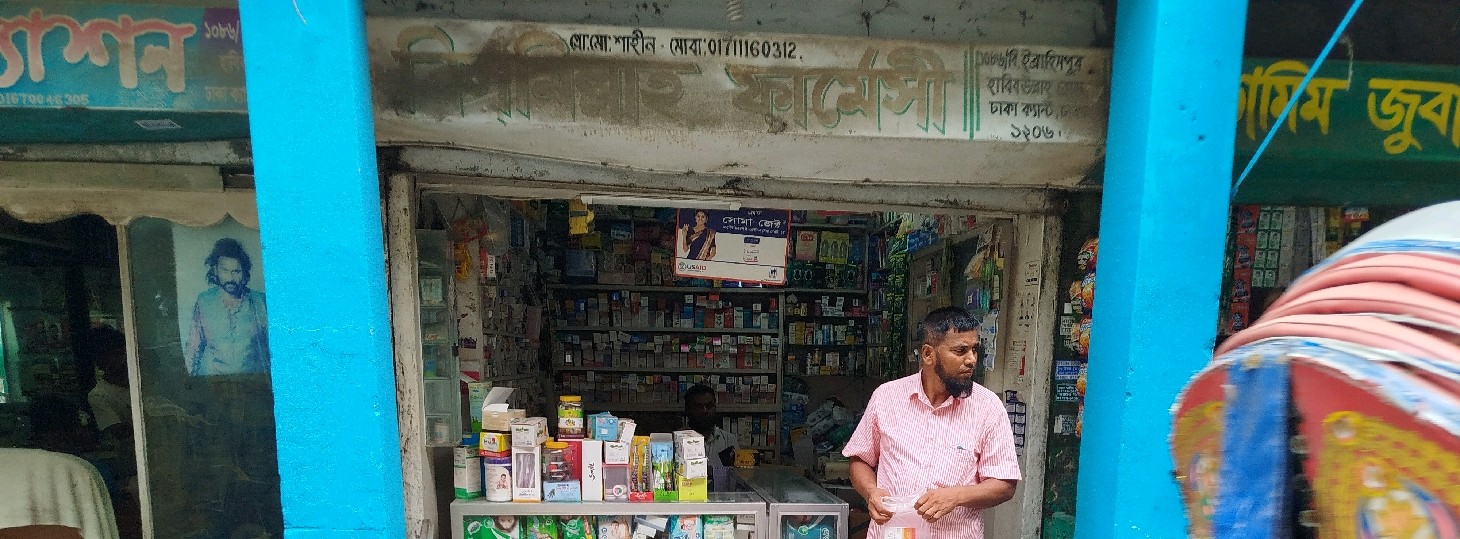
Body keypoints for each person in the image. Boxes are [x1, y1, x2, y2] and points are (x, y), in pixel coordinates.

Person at [842, 307, 1021, 539]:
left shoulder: (988, 407)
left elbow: (1005, 484)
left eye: (975, 350)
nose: (971, 360)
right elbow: (860, 459)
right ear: (928, 354)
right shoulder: (886, 397)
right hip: (894, 533)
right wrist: (871, 492)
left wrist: (956, 496)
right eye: (960, 351)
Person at [184, 237, 269, 376]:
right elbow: (192, 351)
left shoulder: (260, 302)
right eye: (225, 270)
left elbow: (277, 349)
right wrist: (187, 384)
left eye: (236, 271)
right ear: (215, 270)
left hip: (255, 384)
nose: (230, 278)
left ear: (244, 272)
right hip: (216, 384)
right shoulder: (204, 301)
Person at [683, 384, 737, 491]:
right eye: (698, 406)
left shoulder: (729, 440)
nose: (705, 411)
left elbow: (738, 479)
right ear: (688, 409)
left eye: (709, 406)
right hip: (689, 499)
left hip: (724, 500)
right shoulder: (678, 441)